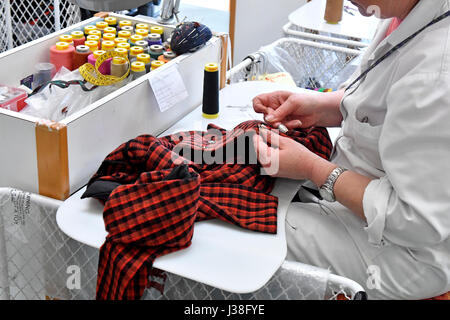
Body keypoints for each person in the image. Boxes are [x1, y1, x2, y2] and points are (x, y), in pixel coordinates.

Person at [252, 0, 450, 300]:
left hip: (408, 254)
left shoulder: (437, 75)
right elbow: (384, 101)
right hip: (366, 201)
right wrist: (327, 106)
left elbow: (416, 221)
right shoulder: (405, 12)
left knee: (239, 234)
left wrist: (313, 168)